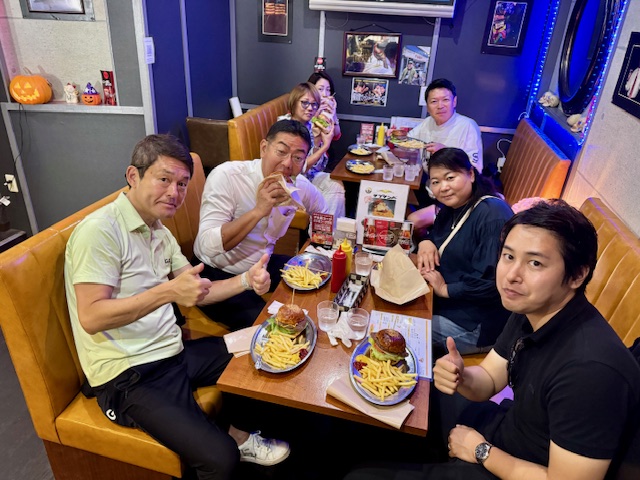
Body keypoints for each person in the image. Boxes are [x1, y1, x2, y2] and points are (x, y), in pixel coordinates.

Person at [345, 199, 640, 480]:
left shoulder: (591, 371)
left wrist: (481, 451)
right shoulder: (532, 309)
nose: (512, 275)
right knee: (384, 414)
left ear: (577, 275)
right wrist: (461, 376)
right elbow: (488, 378)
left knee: (359, 477)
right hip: (505, 428)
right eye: (508, 256)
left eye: (535, 263)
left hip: (516, 466)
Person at [64, 134, 291, 480]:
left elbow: (198, 290)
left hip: (172, 353)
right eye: (164, 179)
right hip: (128, 376)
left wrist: (247, 280)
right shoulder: (100, 231)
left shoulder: (159, 230)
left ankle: (236, 430)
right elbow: (92, 316)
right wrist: (168, 291)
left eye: (182, 183)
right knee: (221, 460)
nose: (175, 192)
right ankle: (228, 440)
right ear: (133, 175)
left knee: (261, 345)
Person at [193, 119, 329, 330]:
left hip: (262, 265)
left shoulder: (298, 185)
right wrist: (259, 210)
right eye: (281, 152)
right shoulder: (228, 176)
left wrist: (319, 242)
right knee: (275, 327)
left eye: (297, 158)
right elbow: (207, 246)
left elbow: (324, 212)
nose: (287, 163)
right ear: (264, 148)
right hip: (218, 272)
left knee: (319, 275)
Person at [416, 148, 513, 357]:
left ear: (470, 174)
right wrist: (426, 241)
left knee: (407, 330)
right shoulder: (453, 207)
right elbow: (438, 237)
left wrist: (445, 289)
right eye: (435, 182)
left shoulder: (493, 214)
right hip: (443, 304)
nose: (444, 187)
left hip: (475, 324)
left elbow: (494, 283)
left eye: (450, 178)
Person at [407, 78, 484, 232]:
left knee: (412, 221)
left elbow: (475, 169)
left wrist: (445, 151)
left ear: (454, 101)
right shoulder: (428, 123)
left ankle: (434, 240)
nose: (440, 106)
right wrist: (395, 137)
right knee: (398, 202)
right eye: (434, 101)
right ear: (428, 106)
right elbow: (408, 141)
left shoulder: (467, 126)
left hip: (456, 197)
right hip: (430, 189)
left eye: (445, 100)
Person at [277, 83, 346, 222]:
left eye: (314, 104)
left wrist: (318, 140)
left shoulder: (310, 125)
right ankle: (322, 231)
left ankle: (327, 231)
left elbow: (317, 167)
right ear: (293, 103)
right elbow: (299, 169)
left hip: (307, 177)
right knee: (329, 191)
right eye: (305, 103)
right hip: (288, 180)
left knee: (336, 184)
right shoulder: (286, 126)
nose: (310, 108)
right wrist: (324, 146)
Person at [308, 70, 342, 141]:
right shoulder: (302, 107)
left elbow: (336, 135)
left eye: (328, 90)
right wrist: (316, 114)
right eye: (320, 89)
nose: (325, 94)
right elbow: (304, 133)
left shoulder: (326, 110)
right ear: (311, 89)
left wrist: (333, 114)